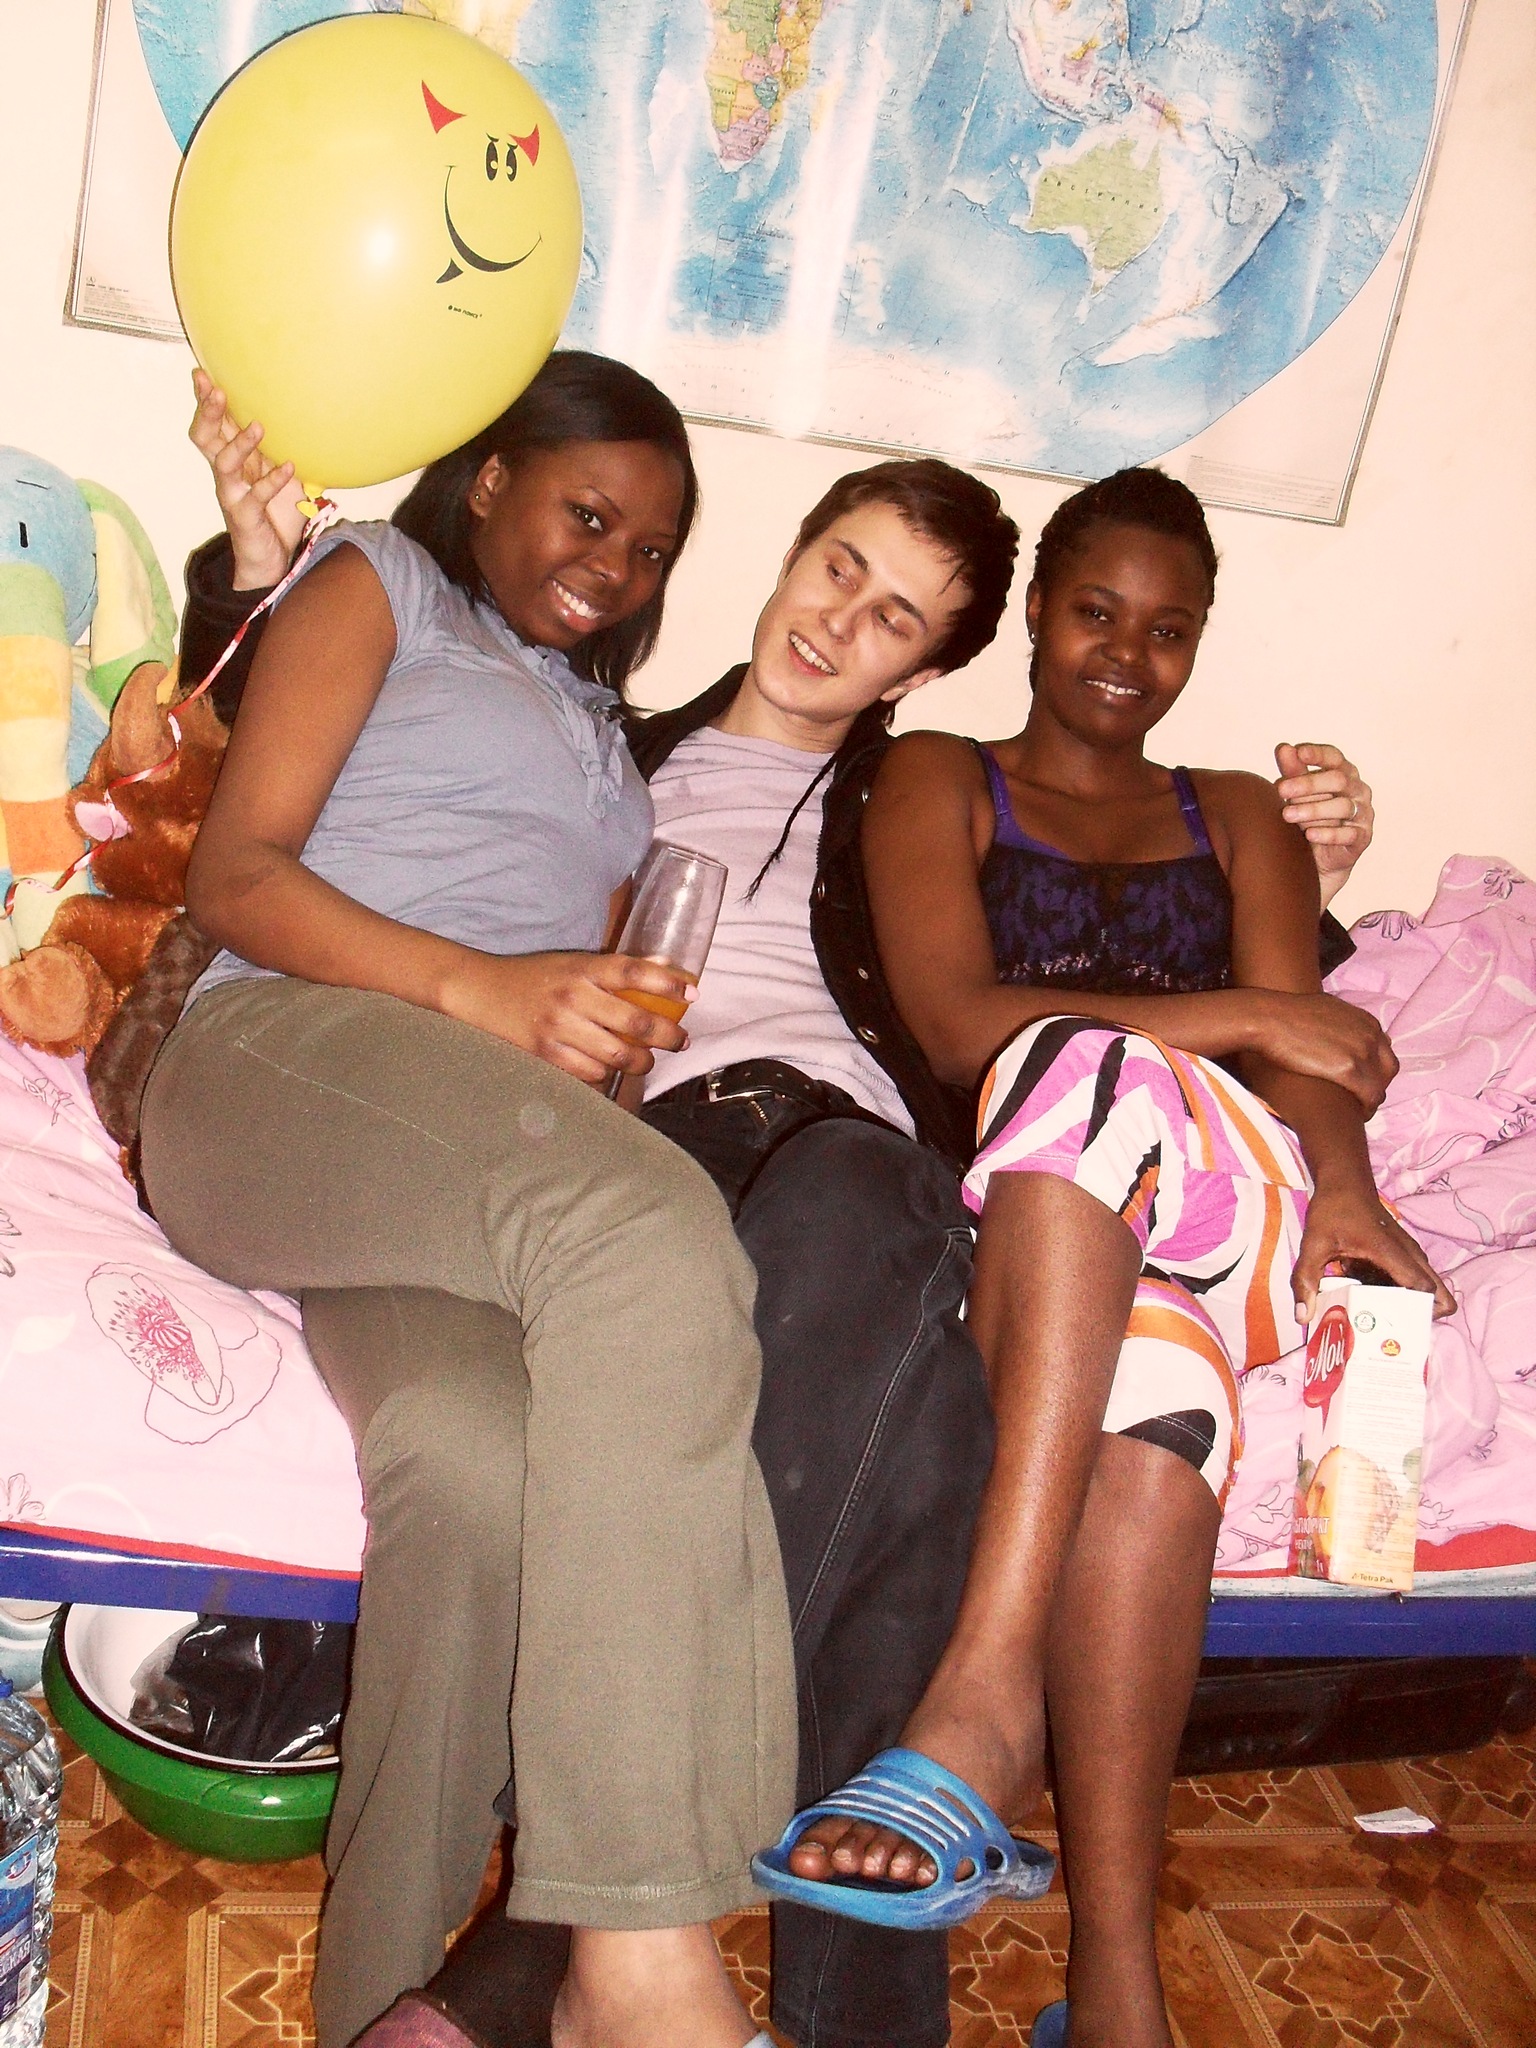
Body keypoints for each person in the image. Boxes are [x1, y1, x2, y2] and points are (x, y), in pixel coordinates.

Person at [178, 415, 1380, 2048]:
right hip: (644, 1148)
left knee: (909, 1336)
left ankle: (565, 1952)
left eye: (895, 619)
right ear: (790, 553)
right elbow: (371, 777)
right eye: (837, 568)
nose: (839, 621)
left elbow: (1083, 939)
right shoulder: (609, 742)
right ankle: (759, 1985)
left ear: (924, 669)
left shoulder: (921, 792)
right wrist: (245, 577)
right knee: (918, 1417)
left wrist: (1320, 881)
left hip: (845, 1158)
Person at [140, 352, 800, 2048]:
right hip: (276, 1067)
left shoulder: (608, 738)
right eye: (590, 513)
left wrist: (583, 1044)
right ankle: (635, 1953)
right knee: (654, 1233)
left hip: (436, 1151)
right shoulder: (381, 582)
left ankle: (393, 2005)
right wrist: (491, 993)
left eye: (651, 549)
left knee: (473, 1461)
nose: (616, 567)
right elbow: (235, 871)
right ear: (492, 477)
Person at [753, 467, 1450, 2048]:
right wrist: (1253, 1012)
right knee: (1154, 1431)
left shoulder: (1239, 812)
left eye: (1169, 629)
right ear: (1037, 615)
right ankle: (1123, 1988)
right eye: (1096, 613)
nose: (1129, 655)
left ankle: (985, 1687)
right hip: (1047, 1239)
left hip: (1230, 1194)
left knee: (1088, 1069)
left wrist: (1348, 1196)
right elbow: (957, 1028)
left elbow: (1309, 1064)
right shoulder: (936, 775)